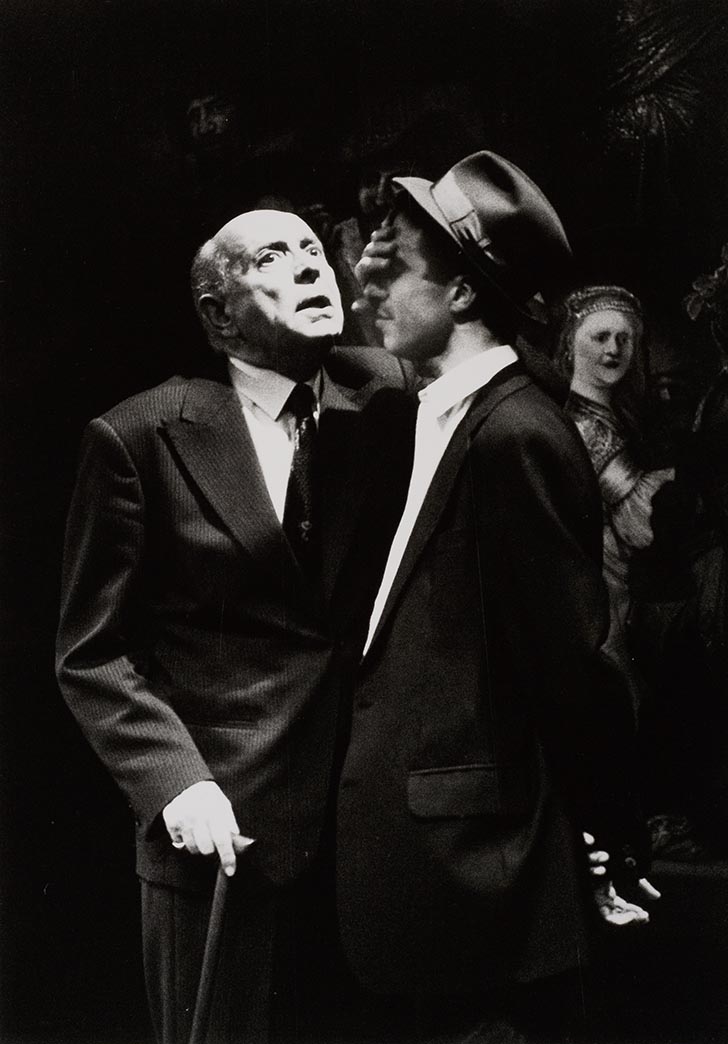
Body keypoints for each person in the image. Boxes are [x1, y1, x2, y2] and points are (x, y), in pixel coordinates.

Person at [55, 208, 412, 1044]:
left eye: (314, 250)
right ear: (219, 316)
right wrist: (174, 782)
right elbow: (91, 652)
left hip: (369, 831)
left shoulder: (392, 397)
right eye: (273, 257)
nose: (310, 267)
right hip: (222, 835)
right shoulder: (142, 436)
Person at [335, 152, 657, 1044]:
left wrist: (607, 834)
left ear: (465, 293)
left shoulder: (516, 432)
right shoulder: (436, 415)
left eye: (397, 267)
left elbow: (573, 662)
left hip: (482, 880)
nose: (371, 286)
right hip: (426, 878)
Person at [553, 286, 675, 716]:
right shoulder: (584, 426)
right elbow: (637, 523)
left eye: (624, 339)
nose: (614, 349)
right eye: (600, 337)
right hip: (602, 583)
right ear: (571, 345)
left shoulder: (616, 414)